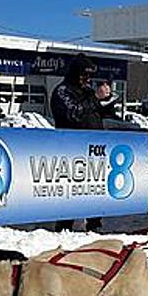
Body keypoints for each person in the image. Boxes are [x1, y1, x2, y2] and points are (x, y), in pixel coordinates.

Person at [50, 54, 104, 232]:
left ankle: (94, 225)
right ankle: (64, 227)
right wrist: (95, 98)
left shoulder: (87, 91)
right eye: (84, 75)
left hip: (94, 150)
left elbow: (96, 114)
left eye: (89, 76)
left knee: (95, 189)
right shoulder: (62, 91)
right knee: (70, 191)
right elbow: (73, 113)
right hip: (71, 149)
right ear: (75, 73)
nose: (87, 79)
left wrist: (106, 101)